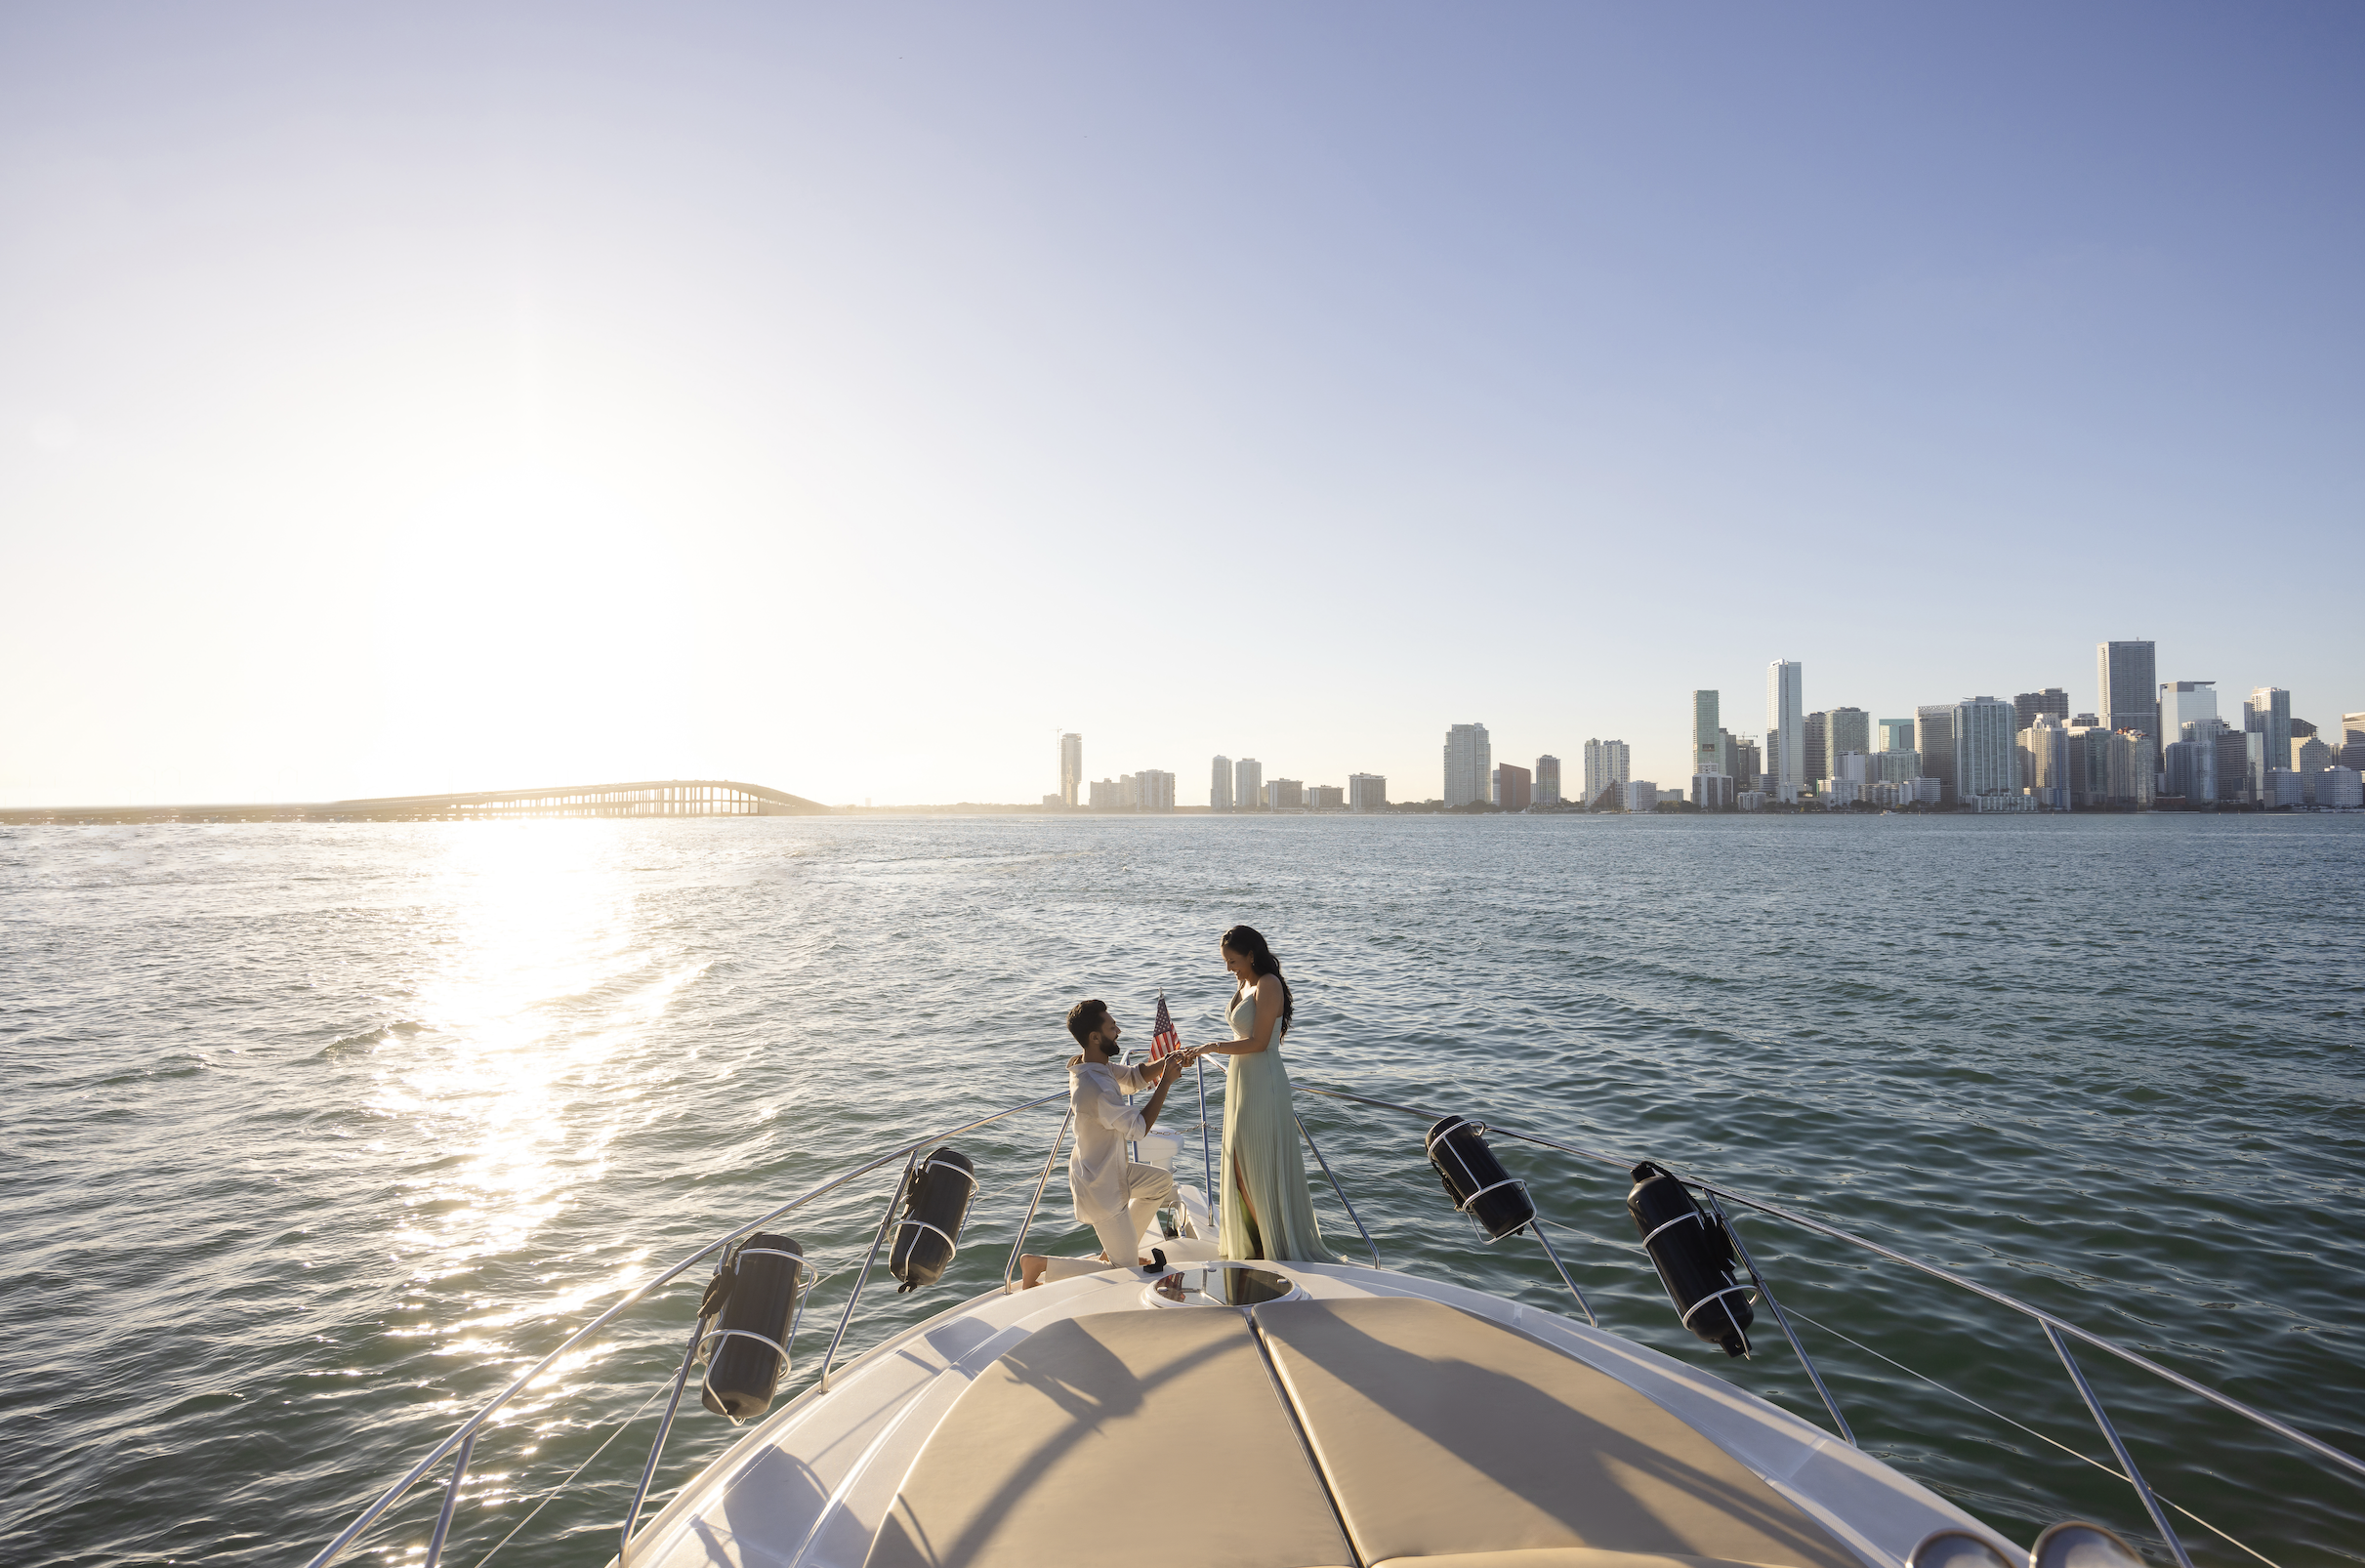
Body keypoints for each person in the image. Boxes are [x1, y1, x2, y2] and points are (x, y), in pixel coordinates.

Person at [1180, 926, 1338, 1263]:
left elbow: (1259, 1042)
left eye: (1232, 961)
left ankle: (1271, 1245)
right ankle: (1257, 1242)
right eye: (1225, 962)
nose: (1228, 968)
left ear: (1251, 954)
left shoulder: (1268, 983)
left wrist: (1211, 1047)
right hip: (1241, 1078)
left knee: (1254, 1163)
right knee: (1238, 1162)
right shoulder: (1245, 982)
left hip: (1263, 1080)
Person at [1018, 999, 1184, 1290]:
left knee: (1161, 1182)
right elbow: (1139, 1128)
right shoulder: (1093, 1088)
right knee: (1126, 1272)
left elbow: (1134, 1077)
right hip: (1100, 1186)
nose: (1118, 1031)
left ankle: (1121, 1250)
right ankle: (1040, 1264)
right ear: (1095, 1037)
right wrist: (1166, 1082)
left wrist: (1170, 1060)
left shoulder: (1096, 1066)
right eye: (1111, 1027)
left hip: (1111, 1169)